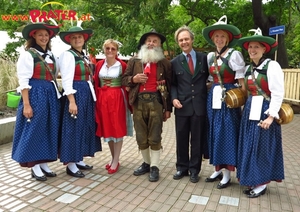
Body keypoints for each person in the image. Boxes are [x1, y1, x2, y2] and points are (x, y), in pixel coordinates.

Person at [236, 28, 284, 198]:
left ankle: (262, 183)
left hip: (265, 111)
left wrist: (271, 116)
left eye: (256, 47)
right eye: (250, 47)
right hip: (250, 110)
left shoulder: (272, 66)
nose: (252, 50)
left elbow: (278, 93)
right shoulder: (249, 68)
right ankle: (253, 179)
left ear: (264, 49)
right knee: (250, 145)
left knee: (262, 148)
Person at [11, 22, 61, 181]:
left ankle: (44, 162)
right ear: (33, 36)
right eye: (40, 35)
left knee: (48, 128)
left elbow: (56, 74)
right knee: (34, 129)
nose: (44, 37)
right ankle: (34, 165)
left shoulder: (52, 55)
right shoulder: (28, 54)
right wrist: (26, 104)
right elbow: (23, 80)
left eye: (46, 35)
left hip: (50, 94)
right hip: (35, 94)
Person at [122, 29, 172, 182]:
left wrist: (168, 108)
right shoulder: (134, 61)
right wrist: (134, 79)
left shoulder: (164, 63)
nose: (151, 43)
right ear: (144, 43)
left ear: (159, 45)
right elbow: (123, 79)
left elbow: (170, 86)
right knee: (141, 136)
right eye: (148, 40)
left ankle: (155, 167)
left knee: (155, 136)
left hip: (156, 102)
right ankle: (146, 163)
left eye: (154, 41)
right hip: (138, 102)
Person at [201, 15, 246, 188]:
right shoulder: (210, 56)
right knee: (213, 131)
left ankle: (227, 173)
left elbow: (241, 83)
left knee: (226, 134)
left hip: (228, 98)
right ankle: (217, 168)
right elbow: (210, 79)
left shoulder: (235, 55)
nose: (219, 39)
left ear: (228, 38)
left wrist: (241, 102)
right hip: (213, 97)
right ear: (213, 38)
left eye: (222, 36)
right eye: (216, 36)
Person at [58, 25, 101, 178]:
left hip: (86, 92)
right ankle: (71, 164)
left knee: (83, 125)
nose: (77, 40)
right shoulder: (68, 55)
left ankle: (79, 158)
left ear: (84, 39)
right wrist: (71, 101)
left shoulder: (84, 55)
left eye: (80, 37)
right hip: (76, 92)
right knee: (73, 127)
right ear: (69, 40)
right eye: (74, 37)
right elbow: (66, 79)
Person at [171, 26, 209, 183]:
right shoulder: (174, 62)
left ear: (192, 40)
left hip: (199, 106)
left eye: (186, 39)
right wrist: (173, 99)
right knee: (181, 138)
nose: (184, 42)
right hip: (182, 106)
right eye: (181, 40)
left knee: (197, 140)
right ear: (178, 43)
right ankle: (182, 167)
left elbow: (211, 77)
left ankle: (194, 170)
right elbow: (172, 84)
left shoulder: (204, 59)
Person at [94, 39, 133, 174]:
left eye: (113, 49)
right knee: (107, 128)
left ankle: (116, 160)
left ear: (117, 51)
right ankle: (113, 158)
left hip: (117, 98)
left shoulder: (122, 65)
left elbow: (128, 80)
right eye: (108, 48)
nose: (110, 51)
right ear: (104, 50)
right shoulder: (99, 65)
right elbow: (95, 82)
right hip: (102, 98)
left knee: (117, 127)